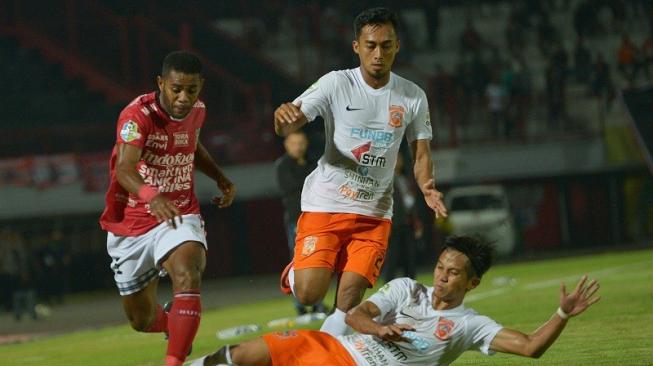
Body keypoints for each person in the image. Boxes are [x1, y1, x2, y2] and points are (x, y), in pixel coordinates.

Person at [272, 7, 447, 337]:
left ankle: (323, 351)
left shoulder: (412, 96)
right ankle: (296, 271)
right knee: (310, 294)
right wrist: (282, 118)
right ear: (357, 47)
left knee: (348, 302)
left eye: (386, 44)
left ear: (398, 46)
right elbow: (290, 122)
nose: (378, 53)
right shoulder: (336, 83)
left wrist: (427, 187)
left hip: (374, 214)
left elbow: (420, 152)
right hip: (325, 206)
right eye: (370, 45)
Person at [190, 235, 601, 366]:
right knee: (242, 355)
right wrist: (380, 327)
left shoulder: (469, 324)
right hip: (334, 351)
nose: (441, 276)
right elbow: (357, 314)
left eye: (453, 272)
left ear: (471, 283)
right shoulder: (408, 288)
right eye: (440, 266)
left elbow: (530, 347)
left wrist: (562, 313)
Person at [99, 50, 236, 366]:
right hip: (133, 220)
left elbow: (191, 144)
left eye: (192, 89)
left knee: (188, 274)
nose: (184, 97)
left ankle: (173, 361)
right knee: (141, 319)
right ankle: (174, 324)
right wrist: (152, 196)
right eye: (176, 88)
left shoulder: (197, 111)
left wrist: (220, 177)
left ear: (201, 85)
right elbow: (124, 168)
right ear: (161, 83)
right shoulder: (136, 116)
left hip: (178, 213)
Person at [274, 130, 327, 315]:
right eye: (294, 143)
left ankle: (318, 302)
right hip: (297, 220)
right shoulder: (283, 166)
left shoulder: (314, 161)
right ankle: (300, 304)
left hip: (318, 219)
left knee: (320, 260)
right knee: (298, 261)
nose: (298, 146)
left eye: (301, 142)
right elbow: (294, 190)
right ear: (287, 145)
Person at [382, 152, 421, 282]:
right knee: (392, 258)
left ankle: (410, 286)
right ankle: (387, 288)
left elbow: (410, 201)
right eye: (396, 158)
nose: (399, 161)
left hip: (407, 223)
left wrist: (416, 220)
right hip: (394, 224)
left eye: (400, 158)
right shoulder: (386, 179)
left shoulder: (404, 178)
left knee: (410, 257)